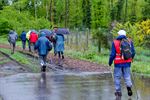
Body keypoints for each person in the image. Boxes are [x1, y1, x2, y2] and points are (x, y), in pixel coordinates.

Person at [108, 30, 135, 98]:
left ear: (119, 34)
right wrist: (131, 58)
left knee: (117, 77)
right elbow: (133, 52)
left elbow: (112, 54)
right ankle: (129, 86)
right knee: (127, 76)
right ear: (125, 35)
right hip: (127, 63)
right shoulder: (129, 41)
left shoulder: (115, 42)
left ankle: (118, 92)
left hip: (118, 63)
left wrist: (110, 62)